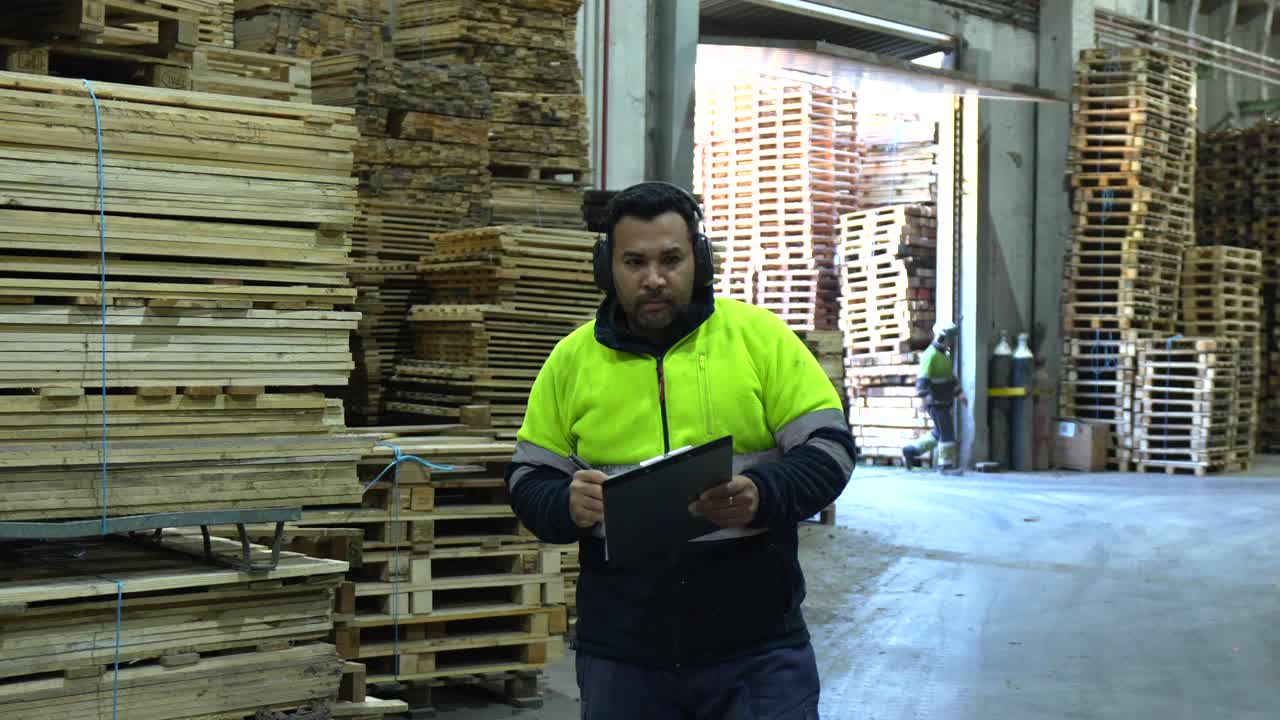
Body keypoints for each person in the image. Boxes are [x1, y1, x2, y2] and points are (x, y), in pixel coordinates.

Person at [504, 181, 857, 719]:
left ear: (701, 258)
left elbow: (830, 449)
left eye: (671, 259)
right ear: (607, 268)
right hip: (624, 654)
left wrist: (765, 491)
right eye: (634, 262)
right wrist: (563, 504)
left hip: (757, 649)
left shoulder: (759, 338)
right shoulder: (570, 361)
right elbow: (527, 478)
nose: (654, 279)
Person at [903, 322, 960, 470]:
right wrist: (922, 398)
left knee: (938, 432)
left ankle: (911, 451)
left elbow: (950, 379)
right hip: (935, 401)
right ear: (941, 337)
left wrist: (960, 394)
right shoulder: (930, 355)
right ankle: (946, 465)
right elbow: (922, 379)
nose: (952, 342)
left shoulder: (944, 356)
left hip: (944, 401)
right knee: (947, 432)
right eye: (950, 338)